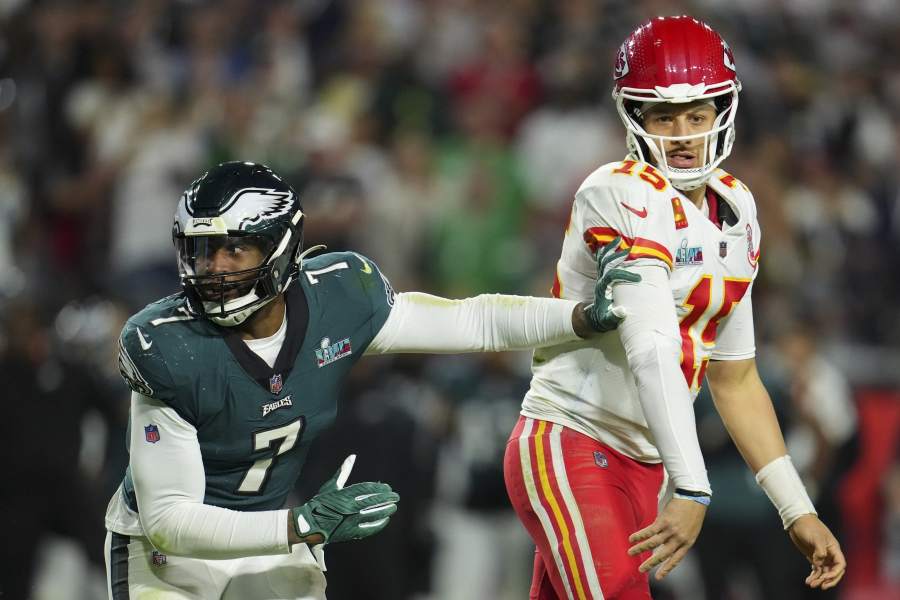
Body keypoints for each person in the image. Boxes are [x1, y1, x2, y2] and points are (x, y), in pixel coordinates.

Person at [103, 160, 633, 599]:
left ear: (280, 247)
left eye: (234, 249)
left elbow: (473, 321)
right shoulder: (166, 344)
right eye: (201, 250)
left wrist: (578, 317)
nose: (214, 268)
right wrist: (301, 526)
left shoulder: (339, 296)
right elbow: (170, 519)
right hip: (166, 556)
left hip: (268, 530)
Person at [503, 16, 847, 600]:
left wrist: (797, 509)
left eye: (696, 114)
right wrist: (693, 487)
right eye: (664, 115)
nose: (683, 133)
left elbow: (735, 378)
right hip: (573, 440)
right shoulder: (617, 191)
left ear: (721, 112)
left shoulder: (737, 208)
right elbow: (652, 344)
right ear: (635, 117)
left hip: (644, 466)